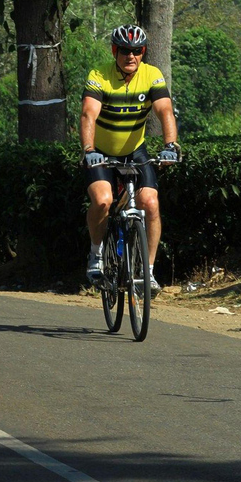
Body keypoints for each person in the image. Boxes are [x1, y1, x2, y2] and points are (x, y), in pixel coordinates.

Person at [80, 25, 181, 295]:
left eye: (137, 51)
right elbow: (88, 114)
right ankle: (97, 253)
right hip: (101, 151)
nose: (131, 56)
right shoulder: (99, 75)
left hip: (136, 150)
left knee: (150, 202)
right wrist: (89, 150)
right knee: (103, 200)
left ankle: (147, 273)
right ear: (115, 51)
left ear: (143, 52)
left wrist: (170, 145)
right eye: (125, 50)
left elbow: (165, 111)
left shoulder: (152, 75)